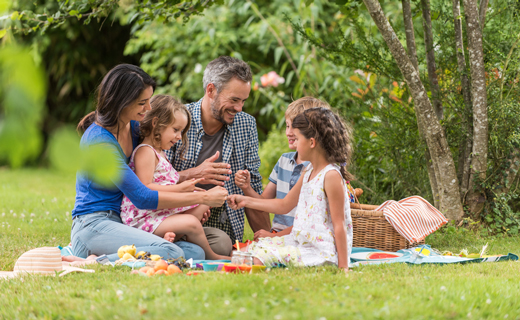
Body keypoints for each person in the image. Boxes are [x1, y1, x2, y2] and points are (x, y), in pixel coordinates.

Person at [70, 64, 228, 263]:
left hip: (123, 222)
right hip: (93, 224)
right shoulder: (100, 141)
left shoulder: (134, 129)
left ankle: (128, 252)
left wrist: (193, 175)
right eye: (142, 102)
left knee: (195, 253)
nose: (149, 108)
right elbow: (142, 197)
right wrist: (204, 197)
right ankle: (93, 260)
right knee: (172, 253)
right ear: (121, 102)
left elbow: (157, 175)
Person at [227, 107, 354, 272]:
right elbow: (284, 205)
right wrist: (245, 200)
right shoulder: (309, 171)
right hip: (299, 242)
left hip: (320, 252)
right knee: (241, 253)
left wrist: (343, 267)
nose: (294, 143)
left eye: (298, 138)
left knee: (252, 260)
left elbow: (339, 224)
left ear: (311, 142)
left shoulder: (330, 176)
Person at [165, 56, 270, 254]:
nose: (239, 108)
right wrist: (194, 173)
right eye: (234, 100)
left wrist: (268, 240)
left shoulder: (246, 125)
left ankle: (178, 248)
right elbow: (153, 183)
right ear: (211, 90)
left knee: (222, 243)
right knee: (219, 246)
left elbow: (254, 190)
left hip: (221, 225)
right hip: (174, 218)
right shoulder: (176, 120)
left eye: (243, 101)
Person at [120, 95, 231, 260]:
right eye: (175, 130)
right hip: (144, 218)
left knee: (203, 204)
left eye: (181, 131)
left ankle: (173, 237)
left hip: (159, 213)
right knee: (192, 222)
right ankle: (212, 256)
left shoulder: (160, 153)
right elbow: (145, 188)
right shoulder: (145, 151)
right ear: (156, 123)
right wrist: (180, 189)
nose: (179, 137)